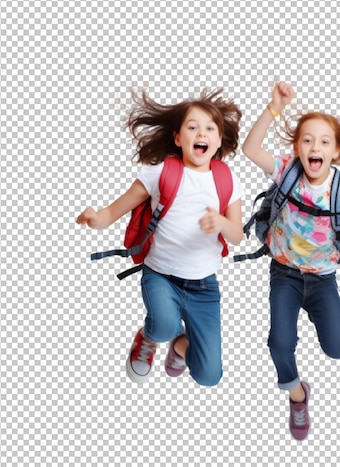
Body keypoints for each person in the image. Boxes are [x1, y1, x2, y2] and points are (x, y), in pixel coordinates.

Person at [242, 82, 340, 439]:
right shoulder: (286, 170)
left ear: (336, 151)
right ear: (297, 147)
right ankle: (298, 396)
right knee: (279, 343)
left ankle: (335, 311)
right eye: (308, 140)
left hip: (322, 279)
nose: (315, 147)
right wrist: (273, 109)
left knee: (339, 349)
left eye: (324, 141)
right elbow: (250, 149)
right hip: (283, 273)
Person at [77, 89, 244, 387]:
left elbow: (237, 237)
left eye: (209, 128)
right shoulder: (160, 172)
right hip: (160, 276)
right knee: (164, 325)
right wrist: (95, 219)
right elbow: (115, 210)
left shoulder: (228, 179)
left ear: (219, 141)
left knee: (209, 376)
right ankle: (149, 337)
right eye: (192, 127)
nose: (200, 133)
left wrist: (221, 222)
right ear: (178, 138)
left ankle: (179, 348)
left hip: (204, 287)